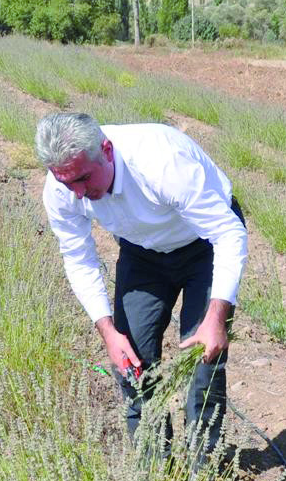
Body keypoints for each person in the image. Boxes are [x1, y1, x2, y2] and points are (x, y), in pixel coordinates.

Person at [36, 112, 248, 452]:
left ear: (106, 150)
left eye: (83, 179)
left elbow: (227, 234)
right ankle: (155, 475)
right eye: (66, 183)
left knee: (202, 361)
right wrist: (108, 332)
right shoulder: (63, 189)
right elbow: (78, 258)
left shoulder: (160, 161)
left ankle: (203, 477)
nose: (77, 193)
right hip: (143, 252)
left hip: (203, 245)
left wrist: (216, 318)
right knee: (131, 362)